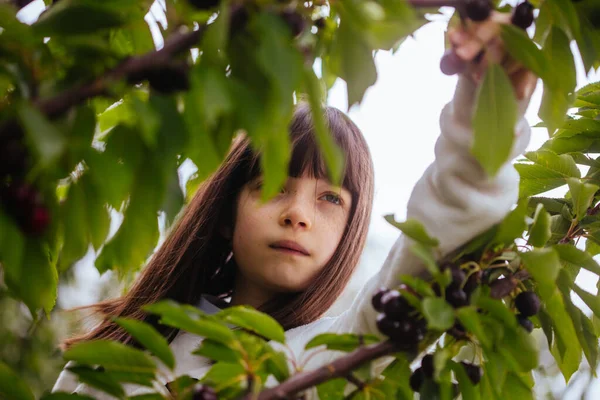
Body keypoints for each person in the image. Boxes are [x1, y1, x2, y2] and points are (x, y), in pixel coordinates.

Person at [52, 11, 538, 399]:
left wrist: (486, 104)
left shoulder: (333, 357)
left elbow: (440, 233)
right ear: (226, 216)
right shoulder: (113, 358)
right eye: (272, 186)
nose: (297, 214)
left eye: (329, 198)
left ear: (349, 233)